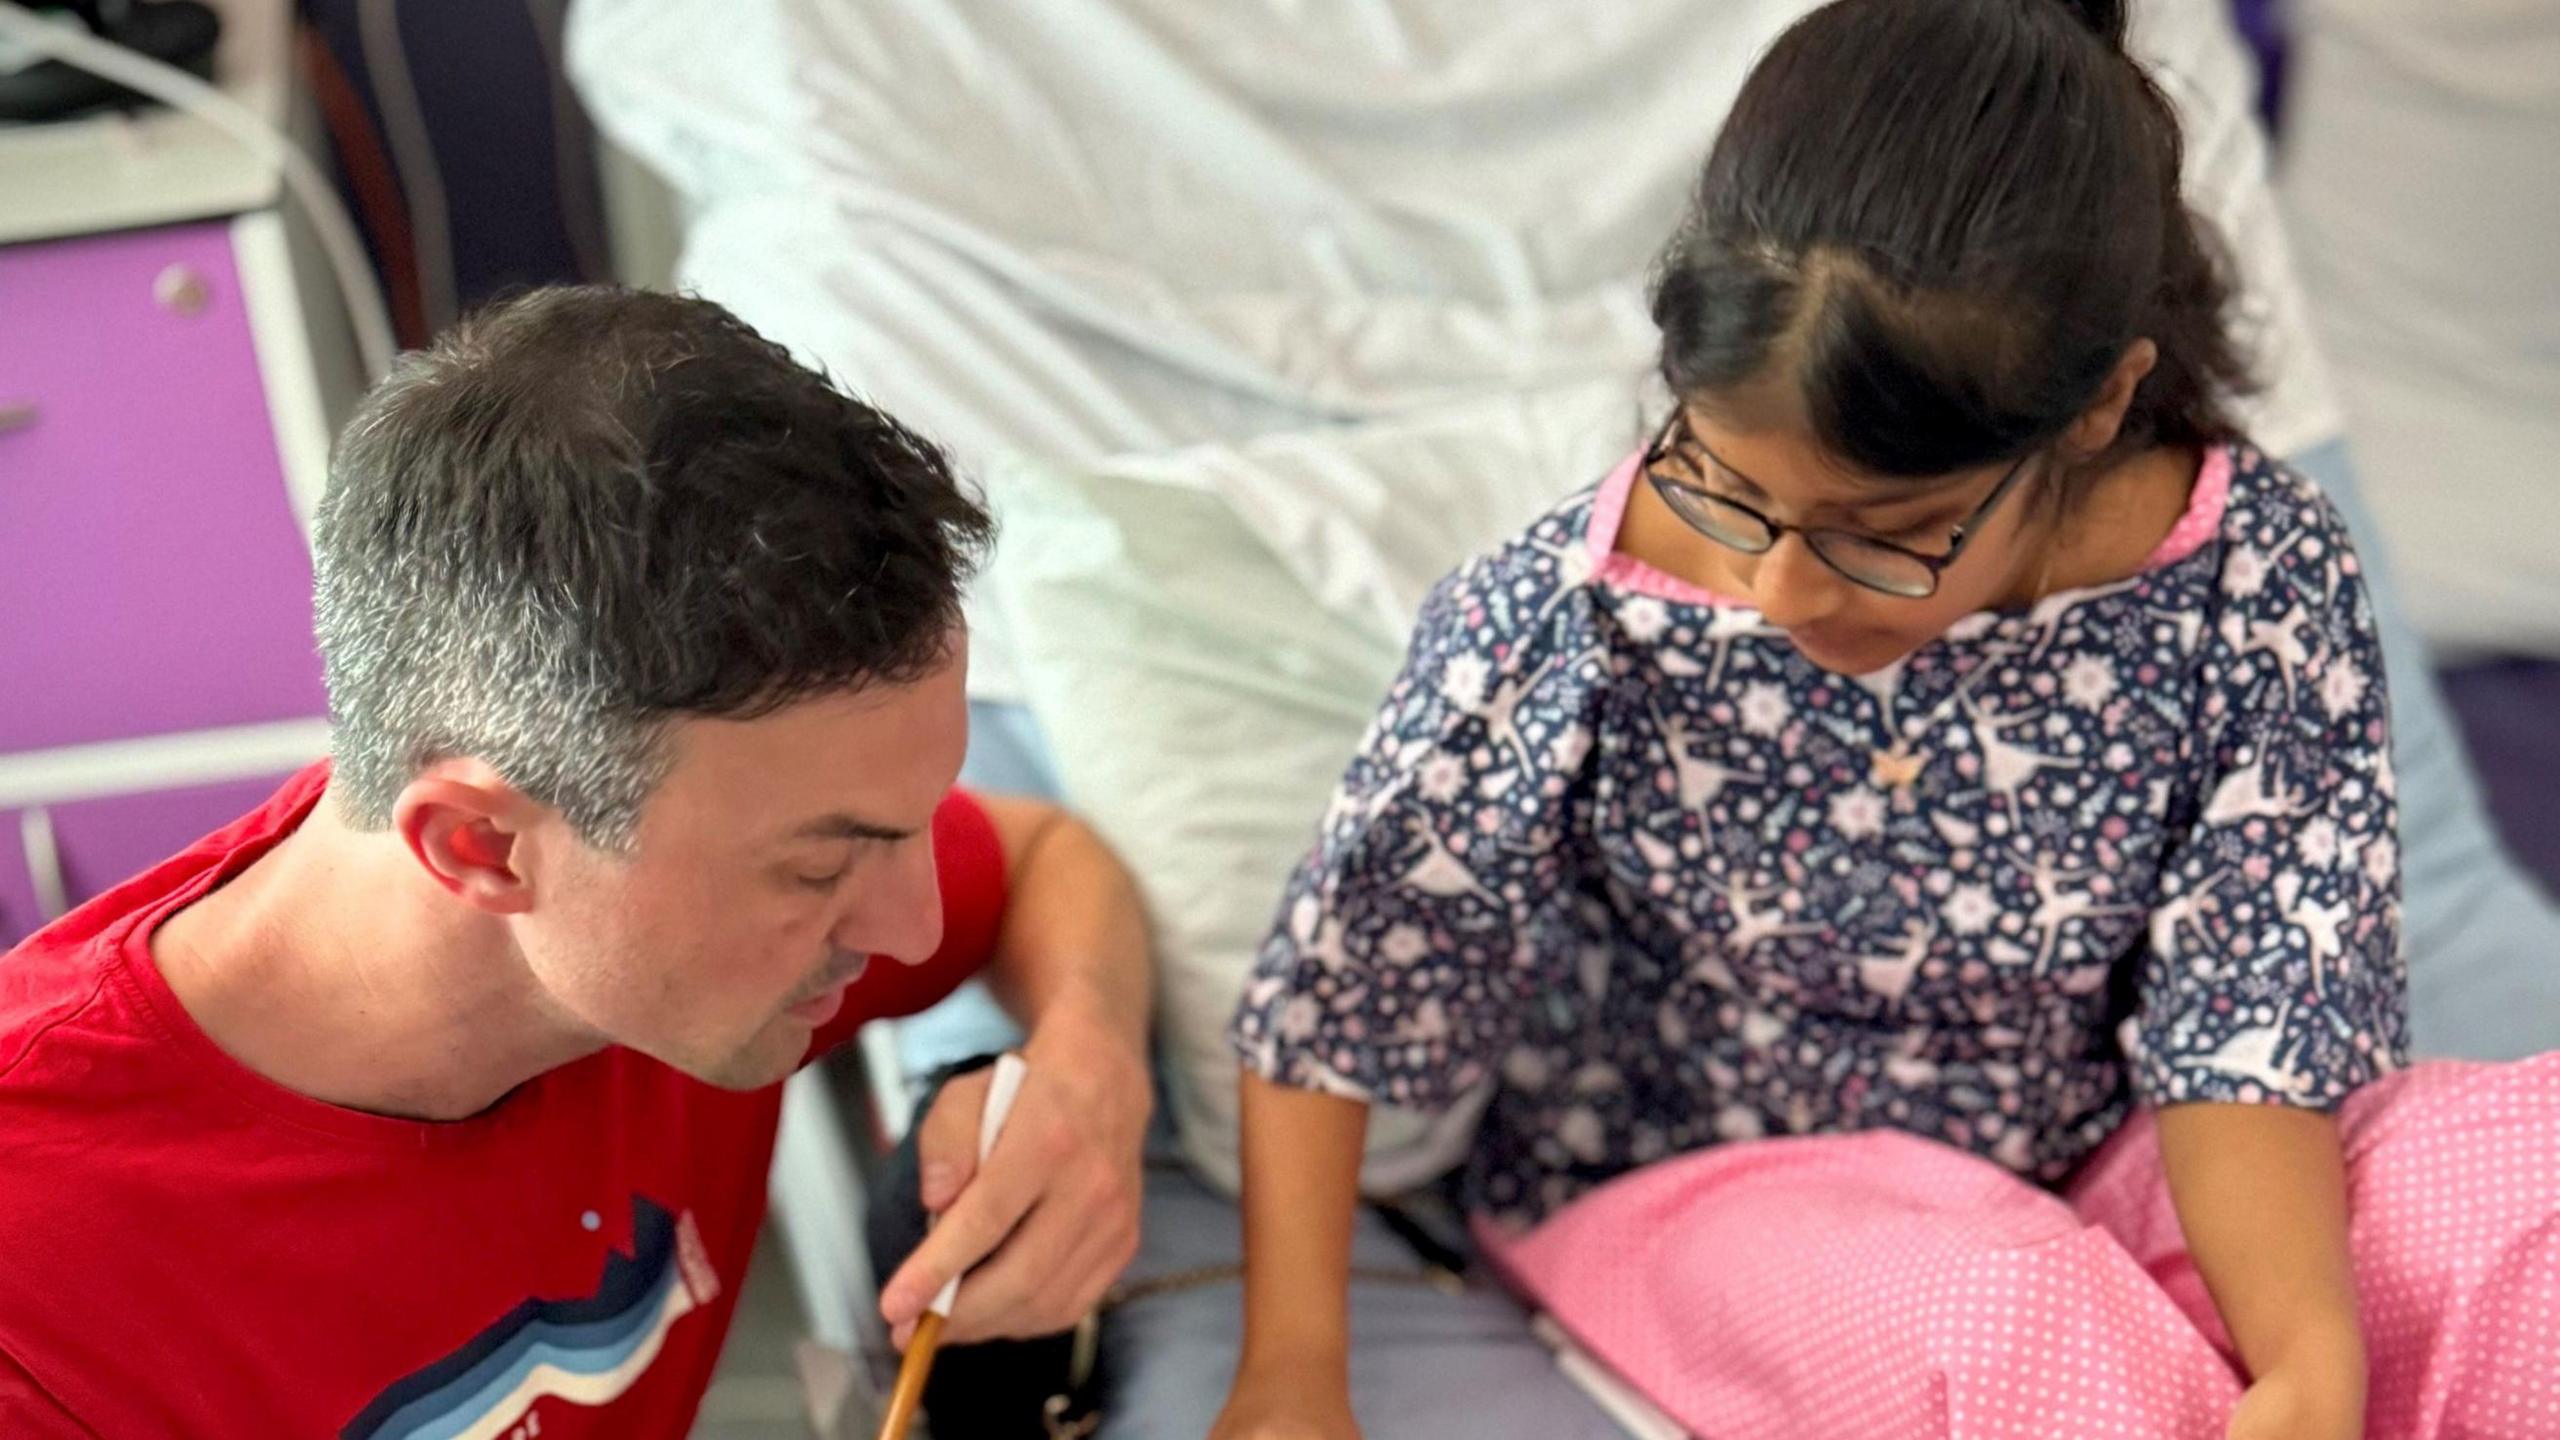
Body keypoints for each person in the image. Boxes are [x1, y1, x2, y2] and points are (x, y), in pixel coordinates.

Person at [1216, 2, 2560, 1438]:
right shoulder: (1572, 613)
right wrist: (1291, 1373)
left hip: (2102, 1159)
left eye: (1884, 532)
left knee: (2523, 1190)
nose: (1784, 588)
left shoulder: (2256, 577)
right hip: (1695, 1187)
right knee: (2030, 1338)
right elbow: (1355, 973)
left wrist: (2308, 1368)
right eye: (1731, 491)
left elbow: (2249, 1024)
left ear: (2100, 406)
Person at [0, 287, 1153, 1437]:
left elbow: (1050, 857)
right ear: (483, 846)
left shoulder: (653, 910)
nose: (912, 926)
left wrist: (1090, 1069)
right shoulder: (43, 1301)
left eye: (909, 825)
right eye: (818, 871)